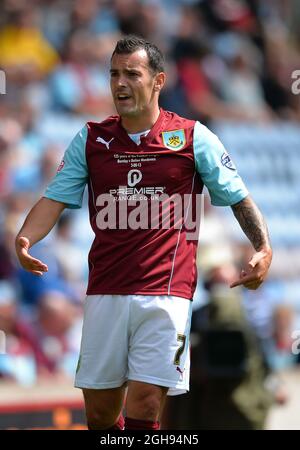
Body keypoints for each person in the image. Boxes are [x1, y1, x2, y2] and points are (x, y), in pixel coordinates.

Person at [15, 35, 272, 430]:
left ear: (158, 81)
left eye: (132, 74)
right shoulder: (91, 139)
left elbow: (239, 197)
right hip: (105, 290)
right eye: (114, 74)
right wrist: (26, 238)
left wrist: (262, 247)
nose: (120, 83)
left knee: (147, 402)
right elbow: (53, 199)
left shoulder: (192, 137)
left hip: (167, 294)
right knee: (100, 414)